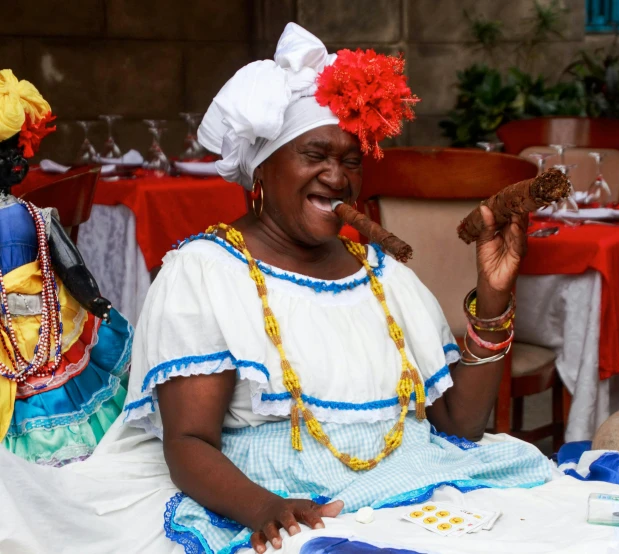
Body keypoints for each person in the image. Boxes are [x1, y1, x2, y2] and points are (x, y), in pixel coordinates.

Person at [0, 25, 560, 554]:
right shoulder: (205, 274)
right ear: (261, 172)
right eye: (314, 156)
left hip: (412, 484)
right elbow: (189, 443)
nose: (337, 178)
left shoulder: (384, 274)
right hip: (264, 497)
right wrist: (268, 509)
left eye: (350, 161)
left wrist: (492, 295)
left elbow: (461, 426)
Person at [0, 69, 133, 467]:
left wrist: (94, 300)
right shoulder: (34, 216)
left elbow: (70, 264)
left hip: (43, 326)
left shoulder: (37, 217)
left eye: (14, 152)